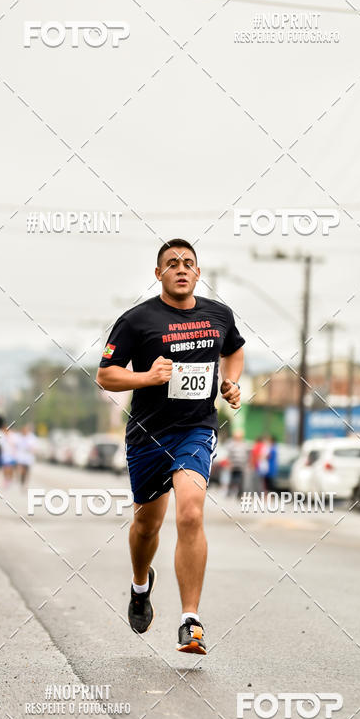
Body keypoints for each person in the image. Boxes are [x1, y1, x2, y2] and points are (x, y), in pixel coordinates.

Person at [96, 239, 245, 655]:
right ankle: (140, 586)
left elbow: (234, 349)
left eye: (189, 263)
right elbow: (105, 376)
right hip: (148, 434)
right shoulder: (136, 320)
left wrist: (231, 382)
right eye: (172, 264)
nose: (181, 268)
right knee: (147, 526)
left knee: (191, 512)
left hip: (195, 429)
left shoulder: (218, 315)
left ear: (198, 273)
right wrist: (146, 377)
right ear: (158, 273)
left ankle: (190, 621)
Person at [226, 429, 248, 498]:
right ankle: (229, 492)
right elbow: (229, 454)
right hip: (233, 465)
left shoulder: (244, 444)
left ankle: (239, 494)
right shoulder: (231, 443)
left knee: (241, 480)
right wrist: (229, 463)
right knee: (232, 479)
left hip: (241, 465)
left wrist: (247, 465)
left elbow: (247, 455)